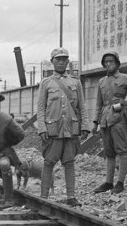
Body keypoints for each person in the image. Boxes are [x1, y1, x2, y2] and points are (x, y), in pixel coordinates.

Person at [36, 47, 90, 207]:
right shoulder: (46, 83)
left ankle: (71, 196)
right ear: (52, 62)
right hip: (53, 129)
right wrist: (42, 128)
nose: (61, 62)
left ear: (67, 61)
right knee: (48, 162)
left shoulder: (75, 82)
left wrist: (85, 126)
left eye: (63, 59)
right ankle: (44, 196)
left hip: (71, 129)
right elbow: (40, 108)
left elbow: (82, 106)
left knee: (69, 162)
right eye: (57, 59)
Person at [92, 51, 127, 194]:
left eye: (111, 61)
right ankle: (108, 182)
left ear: (117, 63)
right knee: (109, 153)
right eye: (105, 62)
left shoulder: (125, 78)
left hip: (118, 118)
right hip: (104, 121)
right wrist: (95, 122)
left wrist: (126, 102)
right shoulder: (101, 82)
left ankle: (120, 183)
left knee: (122, 150)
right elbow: (98, 104)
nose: (108, 64)